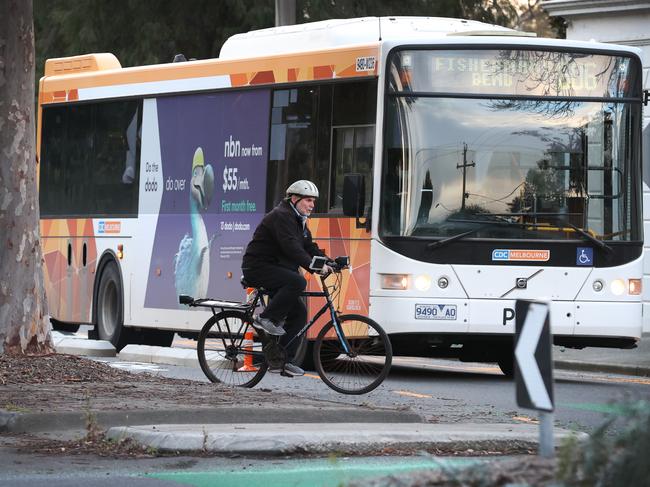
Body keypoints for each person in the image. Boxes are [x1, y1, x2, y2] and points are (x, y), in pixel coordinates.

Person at [241, 180, 332, 377]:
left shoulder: (299, 219)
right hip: (258, 266)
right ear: (294, 199)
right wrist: (313, 267)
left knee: (299, 313)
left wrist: (331, 262)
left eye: (313, 201)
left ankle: (282, 360)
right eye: (308, 200)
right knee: (298, 281)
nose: (312, 205)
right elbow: (291, 247)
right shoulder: (282, 216)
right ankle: (265, 319)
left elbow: (308, 246)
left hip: (276, 267)